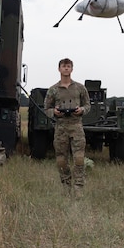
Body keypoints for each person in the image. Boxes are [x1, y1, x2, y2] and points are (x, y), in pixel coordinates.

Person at [44, 58, 91, 197]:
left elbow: (88, 105)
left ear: (72, 69)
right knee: (61, 159)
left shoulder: (80, 88)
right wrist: (54, 112)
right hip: (61, 127)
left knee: (79, 158)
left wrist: (81, 110)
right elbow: (46, 108)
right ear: (59, 69)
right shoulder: (53, 90)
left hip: (76, 126)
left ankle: (78, 188)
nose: (66, 69)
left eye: (68, 66)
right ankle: (66, 186)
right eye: (63, 66)